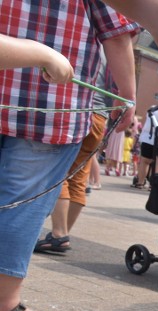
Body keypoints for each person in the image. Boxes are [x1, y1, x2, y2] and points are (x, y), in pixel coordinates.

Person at [0, 1, 137, 311]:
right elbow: (117, 33)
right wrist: (127, 95)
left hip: (25, 97)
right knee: (24, 203)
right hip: (50, 106)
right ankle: (4, 302)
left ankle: (58, 236)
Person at [34, 47, 133, 254]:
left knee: (59, 173)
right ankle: (62, 234)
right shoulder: (113, 54)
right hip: (100, 118)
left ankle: (59, 233)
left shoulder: (83, 45)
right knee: (79, 178)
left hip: (79, 111)